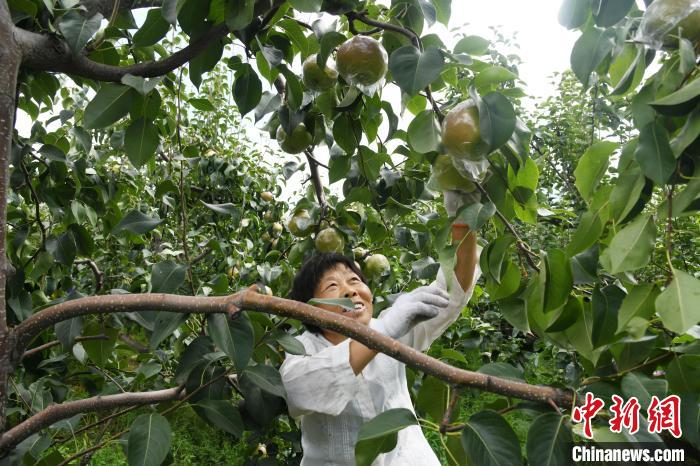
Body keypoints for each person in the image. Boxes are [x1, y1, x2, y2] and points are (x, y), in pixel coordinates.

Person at [279, 192, 480, 465]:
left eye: (354, 280)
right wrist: (383, 332)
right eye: (332, 286)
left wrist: (464, 218)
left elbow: (450, 295)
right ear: (310, 308)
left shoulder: (394, 326)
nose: (351, 291)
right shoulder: (304, 348)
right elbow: (303, 389)